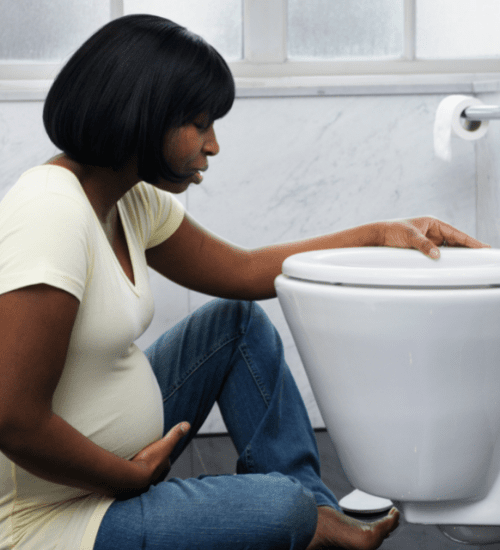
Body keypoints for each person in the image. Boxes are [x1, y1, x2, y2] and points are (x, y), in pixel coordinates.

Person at [0, 14, 488, 550]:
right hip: (52, 515)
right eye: (199, 123)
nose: (213, 145)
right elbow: (13, 419)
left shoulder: (129, 201)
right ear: (141, 116)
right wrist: (126, 478)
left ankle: (322, 520)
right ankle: (304, 518)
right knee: (281, 509)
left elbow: (245, 271)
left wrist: (380, 232)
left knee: (235, 325)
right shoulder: (50, 211)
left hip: (116, 468)